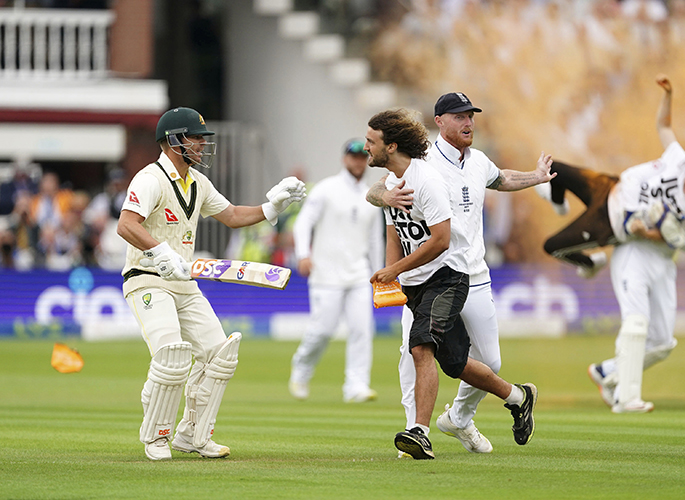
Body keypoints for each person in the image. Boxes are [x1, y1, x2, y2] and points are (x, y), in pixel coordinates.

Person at [366, 92, 556, 455]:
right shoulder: (422, 161)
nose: (468, 122)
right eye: (459, 116)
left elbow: (502, 179)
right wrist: (385, 198)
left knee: (487, 362)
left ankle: (460, 418)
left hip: (470, 274)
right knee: (416, 352)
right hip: (424, 277)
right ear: (439, 121)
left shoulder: (479, 160)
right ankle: (414, 433)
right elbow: (379, 191)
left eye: (470, 116)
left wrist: (536, 176)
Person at [536, 75, 685, 412]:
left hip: (661, 259)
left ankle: (607, 372)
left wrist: (665, 233)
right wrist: (669, 95)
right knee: (636, 322)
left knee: (662, 342)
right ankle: (627, 398)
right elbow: (664, 126)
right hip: (628, 245)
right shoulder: (676, 160)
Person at [117, 107, 306, 460]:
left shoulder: (198, 183)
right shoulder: (150, 178)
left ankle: (192, 434)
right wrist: (160, 251)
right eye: (196, 137)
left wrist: (271, 207)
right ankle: (157, 437)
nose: (203, 144)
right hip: (147, 280)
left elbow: (232, 215)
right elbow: (126, 224)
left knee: (219, 355)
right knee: (172, 356)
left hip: (185, 282)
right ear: (174, 140)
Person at [288, 139, 384, 403]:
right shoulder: (325, 189)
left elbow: (376, 240)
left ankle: (356, 385)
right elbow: (303, 223)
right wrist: (303, 254)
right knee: (322, 330)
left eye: (362, 157)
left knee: (362, 330)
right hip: (325, 273)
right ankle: (302, 369)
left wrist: (379, 274)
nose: (358, 161)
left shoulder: (372, 195)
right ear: (344, 159)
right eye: (353, 157)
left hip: (359, 274)